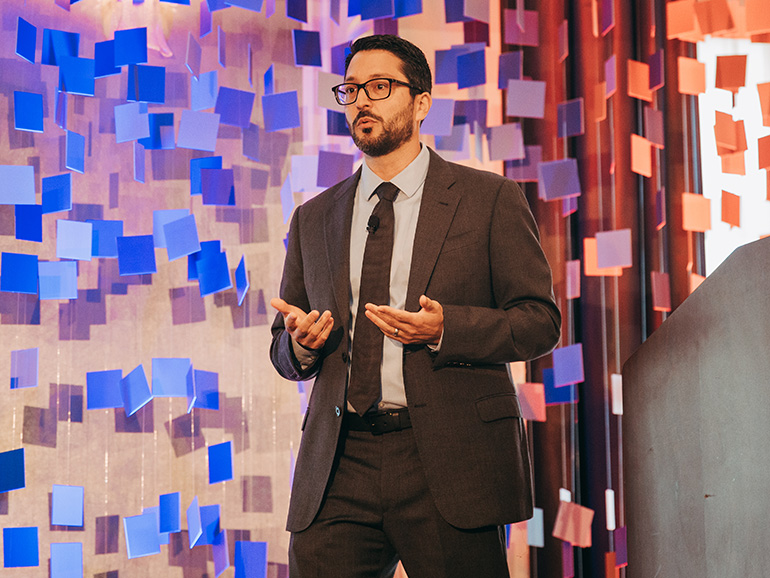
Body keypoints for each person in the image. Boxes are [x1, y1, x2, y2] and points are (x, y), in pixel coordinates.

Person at [269, 34, 561, 578]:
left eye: (379, 87)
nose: (361, 101)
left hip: (449, 458)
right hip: (339, 463)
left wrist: (447, 328)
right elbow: (283, 347)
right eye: (351, 90)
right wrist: (299, 346)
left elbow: (540, 323)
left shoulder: (489, 198)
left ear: (421, 103)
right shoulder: (314, 218)